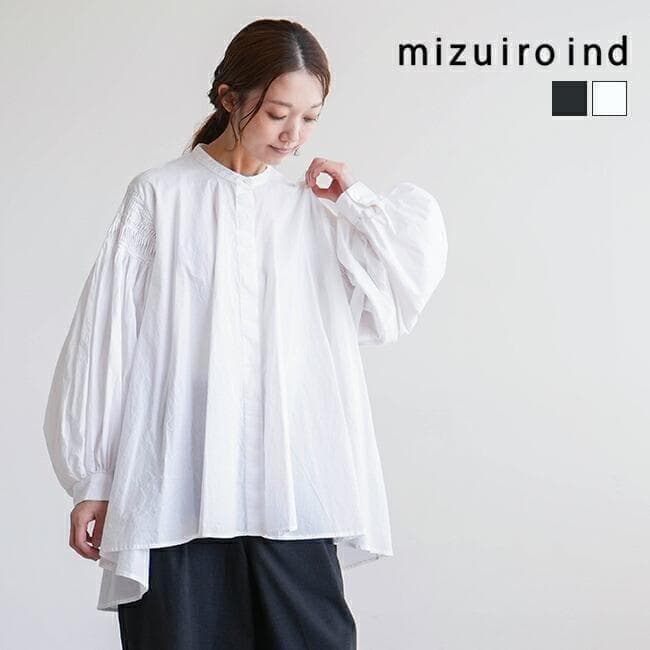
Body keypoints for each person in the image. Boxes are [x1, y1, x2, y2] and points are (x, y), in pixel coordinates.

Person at [42, 17, 449, 650]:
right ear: (230, 99)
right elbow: (107, 340)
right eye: (278, 114)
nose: (294, 136)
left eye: (310, 118)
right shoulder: (159, 197)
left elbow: (401, 292)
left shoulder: (310, 211)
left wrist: (355, 202)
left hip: (290, 492)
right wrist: (93, 478)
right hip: (175, 486)